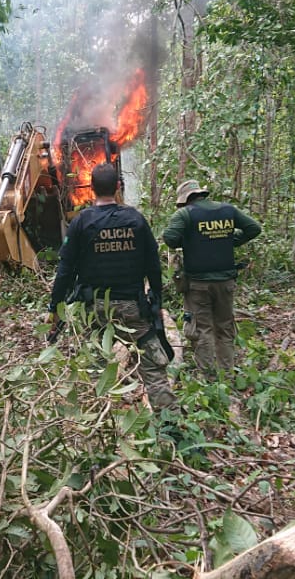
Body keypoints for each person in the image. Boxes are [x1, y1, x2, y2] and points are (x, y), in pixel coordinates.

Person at [48, 163, 177, 412]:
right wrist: (157, 304)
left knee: (93, 370)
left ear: (91, 189)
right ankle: (170, 426)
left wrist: (55, 308)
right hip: (133, 309)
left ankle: (95, 422)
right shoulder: (136, 219)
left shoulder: (81, 223)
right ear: (118, 186)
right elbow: (153, 266)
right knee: (153, 368)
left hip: (94, 311)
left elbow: (64, 271)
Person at [162, 179, 261, 381]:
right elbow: (254, 228)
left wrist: (192, 241)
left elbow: (170, 237)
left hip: (198, 285)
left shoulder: (185, 214)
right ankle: (227, 373)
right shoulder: (227, 210)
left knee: (201, 329)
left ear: (186, 199)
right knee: (225, 327)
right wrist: (229, 242)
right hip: (226, 283)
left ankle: (208, 378)